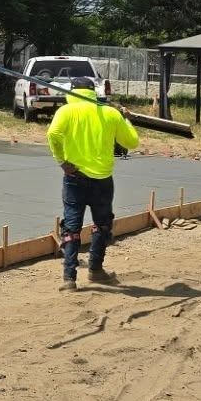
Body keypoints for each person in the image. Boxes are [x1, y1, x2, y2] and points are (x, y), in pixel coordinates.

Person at [47, 85, 139, 291]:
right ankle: (95, 270)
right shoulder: (110, 113)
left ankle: (69, 278)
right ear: (94, 94)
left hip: (74, 177)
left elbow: (53, 134)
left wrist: (61, 161)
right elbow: (132, 142)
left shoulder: (66, 111)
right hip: (102, 179)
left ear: (72, 94)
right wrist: (125, 119)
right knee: (102, 224)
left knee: (71, 226)